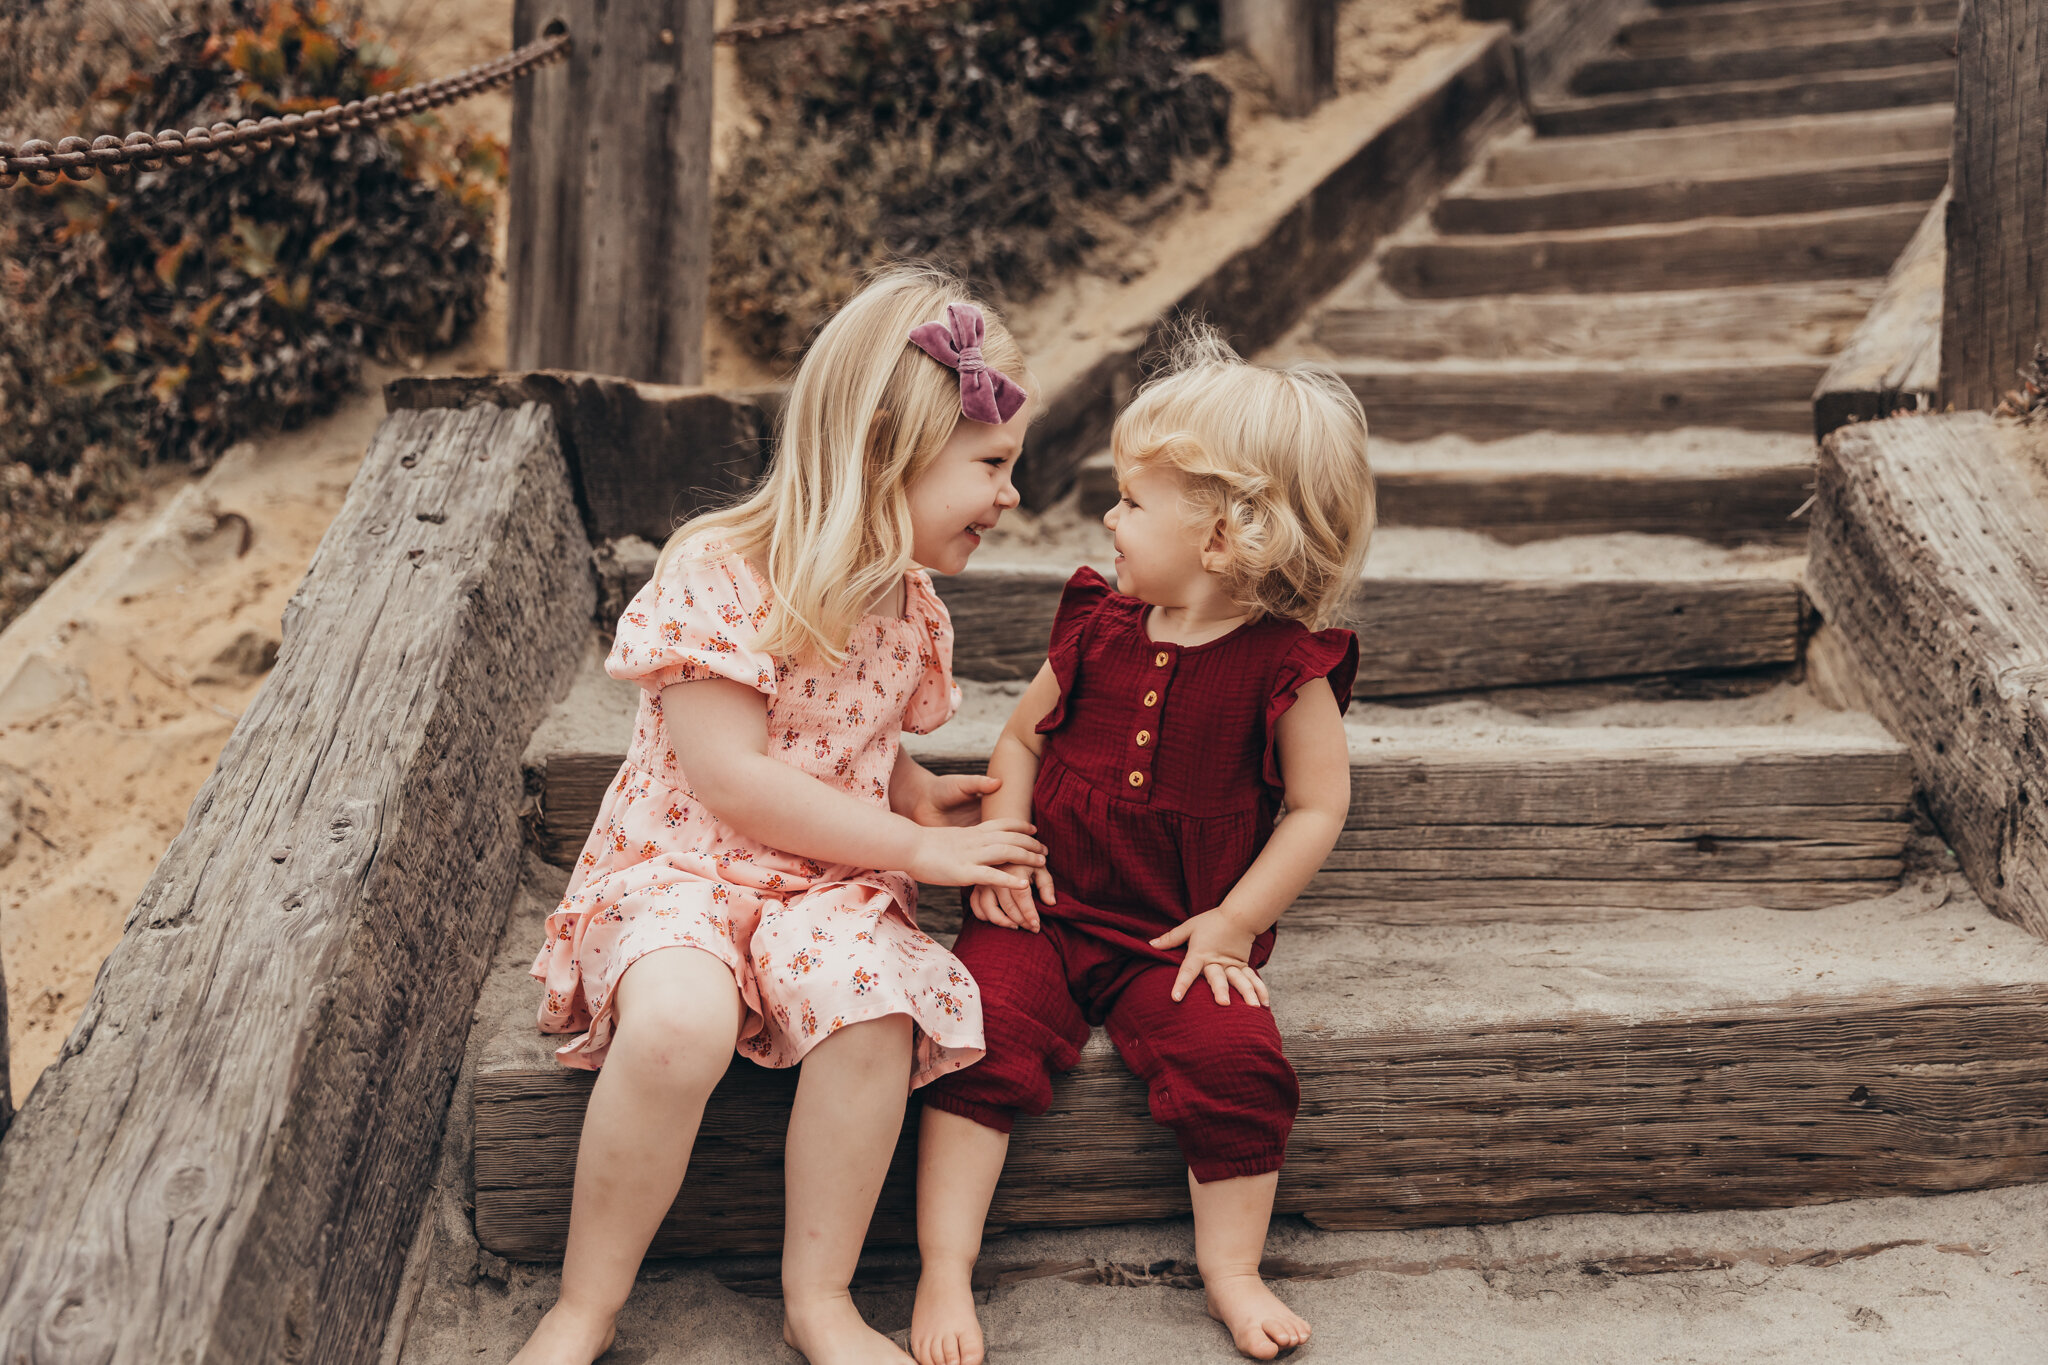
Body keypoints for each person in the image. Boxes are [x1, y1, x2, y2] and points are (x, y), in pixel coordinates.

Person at [516, 266, 1044, 1365]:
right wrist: (917, 847)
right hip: (685, 869)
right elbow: (735, 779)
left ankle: (822, 1298)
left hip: (824, 885)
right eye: (991, 466)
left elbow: (852, 730)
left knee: (874, 1011)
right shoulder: (721, 571)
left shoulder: (905, 603)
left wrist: (909, 790)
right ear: (883, 455)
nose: (1008, 496)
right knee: (677, 1022)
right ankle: (584, 1305)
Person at [910, 328, 1375, 1364]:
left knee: (1237, 1063)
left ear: (1220, 538)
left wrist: (1235, 923)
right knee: (973, 1030)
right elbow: (1023, 735)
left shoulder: (1286, 672)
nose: (1107, 520)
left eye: (1131, 501)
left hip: (1175, 934)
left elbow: (1314, 811)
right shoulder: (1096, 623)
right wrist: (1005, 844)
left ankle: (1231, 1269)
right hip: (1047, 907)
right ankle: (945, 1266)